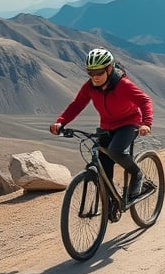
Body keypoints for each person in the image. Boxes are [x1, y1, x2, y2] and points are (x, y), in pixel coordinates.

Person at [49, 47, 153, 200]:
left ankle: (137, 175)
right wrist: (60, 122)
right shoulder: (90, 87)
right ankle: (111, 203)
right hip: (107, 126)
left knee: (116, 151)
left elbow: (145, 101)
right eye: (91, 73)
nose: (95, 77)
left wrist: (146, 123)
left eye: (99, 73)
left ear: (109, 68)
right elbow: (77, 105)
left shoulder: (123, 85)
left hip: (129, 123)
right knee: (103, 164)